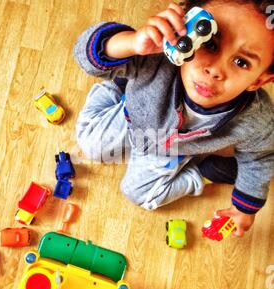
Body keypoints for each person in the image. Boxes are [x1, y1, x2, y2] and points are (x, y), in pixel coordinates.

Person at [73, 0, 274, 237]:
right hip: (133, 119)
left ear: (258, 80)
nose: (215, 70)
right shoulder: (156, 59)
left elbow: (261, 158)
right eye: (209, 45)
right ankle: (121, 78)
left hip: (173, 151)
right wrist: (131, 43)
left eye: (241, 62)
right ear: (186, 26)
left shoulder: (257, 120)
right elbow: (83, 53)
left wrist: (245, 208)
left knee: (139, 195)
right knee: (89, 143)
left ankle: (206, 172)